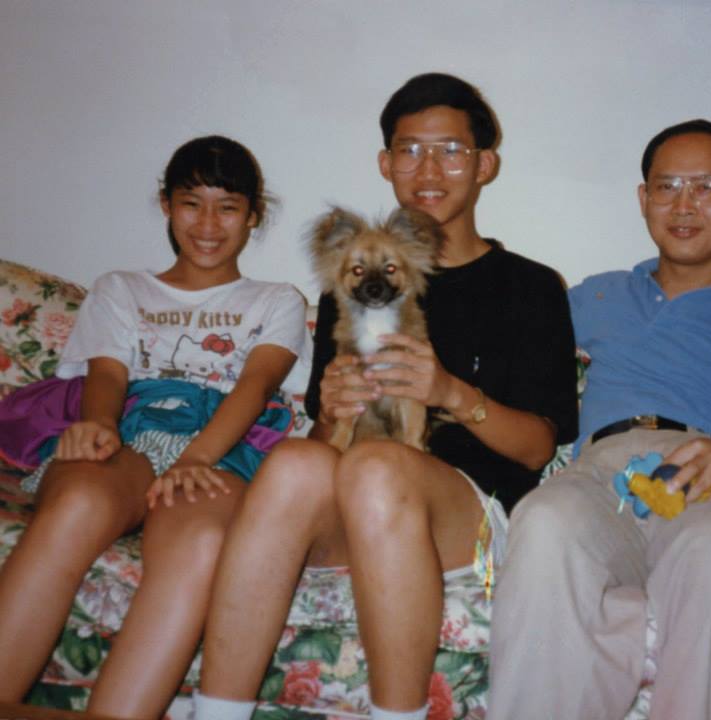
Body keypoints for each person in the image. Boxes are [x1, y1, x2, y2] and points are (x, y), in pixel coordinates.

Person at [194, 73, 578, 720]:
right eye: (409, 150)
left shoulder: (530, 287)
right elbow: (325, 446)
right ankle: (216, 712)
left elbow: (539, 448)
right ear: (385, 163)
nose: (428, 169)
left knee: (378, 467)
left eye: (450, 150)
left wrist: (450, 392)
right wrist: (332, 410)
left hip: (468, 517)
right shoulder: (348, 283)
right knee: (293, 461)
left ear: (484, 164)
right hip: (359, 498)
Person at [487, 119, 711, 720]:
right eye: (666, 186)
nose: (683, 204)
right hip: (600, 481)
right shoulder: (596, 296)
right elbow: (494, 349)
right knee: (543, 521)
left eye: (706, 186)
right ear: (642, 198)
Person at [0, 136, 308, 719]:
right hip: (131, 427)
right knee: (78, 501)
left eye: (228, 207)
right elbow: (108, 373)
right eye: (192, 203)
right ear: (166, 205)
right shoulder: (120, 288)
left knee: (200, 539)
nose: (208, 224)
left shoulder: (277, 300)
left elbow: (255, 385)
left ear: (253, 215)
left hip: (220, 443)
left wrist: (196, 458)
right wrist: (97, 425)